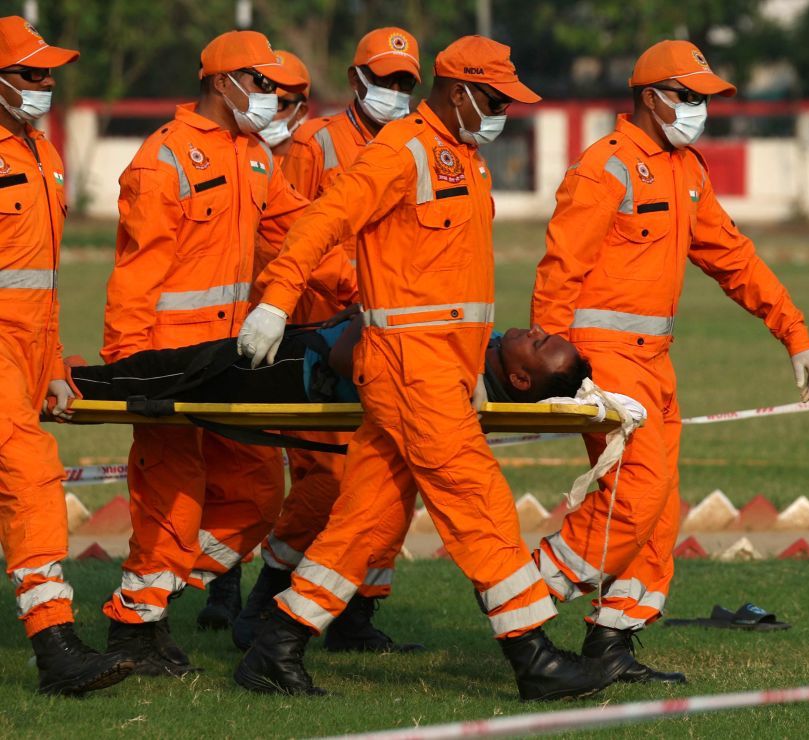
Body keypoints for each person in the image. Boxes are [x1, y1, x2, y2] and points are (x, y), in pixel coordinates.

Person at [234, 36, 614, 701]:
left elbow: (454, 287)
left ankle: (278, 642)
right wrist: (277, 296)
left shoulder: (466, 160)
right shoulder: (400, 150)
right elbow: (327, 216)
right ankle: (534, 658)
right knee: (480, 503)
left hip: (439, 370)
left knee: (368, 518)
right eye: (494, 100)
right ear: (459, 90)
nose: (502, 113)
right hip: (408, 369)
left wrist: (470, 366)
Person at [530, 40, 809, 684]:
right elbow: (561, 268)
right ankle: (523, 599)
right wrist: (550, 361)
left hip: (654, 363)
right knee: (633, 497)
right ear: (649, 96)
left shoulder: (685, 169)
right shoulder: (604, 167)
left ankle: (611, 642)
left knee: (660, 508)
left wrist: (792, 331)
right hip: (601, 360)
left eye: (705, 99)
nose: (699, 110)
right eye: (688, 97)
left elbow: (733, 258)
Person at [99, 29, 309, 676]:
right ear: (224, 83)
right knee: (176, 496)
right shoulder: (164, 159)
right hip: (165, 362)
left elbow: (296, 229)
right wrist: (128, 367)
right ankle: (136, 626)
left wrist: (360, 266)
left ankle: (148, 602)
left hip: (226, 361)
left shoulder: (253, 157)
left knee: (257, 494)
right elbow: (136, 275)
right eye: (263, 83)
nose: (273, 97)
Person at [233, 27, 425, 654]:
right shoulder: (314, 145)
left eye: (405, 82)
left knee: (389, 477)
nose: (395, 91)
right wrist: (343, 288)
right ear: (355, 79)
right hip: (318, 333)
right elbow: (283, 234)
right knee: (326, 481)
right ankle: (267, 597)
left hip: (388, 335)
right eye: (386, 78)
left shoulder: (416, 148)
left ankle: (358, 610)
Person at [0, 15, 135, 696]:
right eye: (30, 73)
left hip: (26, 350)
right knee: (30, 477)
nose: (45, 84)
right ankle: (56, 649)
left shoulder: (44, 155)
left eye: (49, 72)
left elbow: (41, 282)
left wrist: (52, 367)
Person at [198, 46, 315, 635]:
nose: (277, 107)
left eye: (289, 100)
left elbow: (312, 236)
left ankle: (235, 590)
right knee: (234, 474)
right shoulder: (225, 155)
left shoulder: (288, 157)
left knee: (274, 480)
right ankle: (218, 589)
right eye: (269, 91)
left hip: (292, 334)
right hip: (226, 336)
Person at [69, 320, 588, 407]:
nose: (535, 330)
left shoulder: (461, 377)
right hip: (310, 344)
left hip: (299, 368)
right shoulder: (490, 347)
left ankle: (74, 386)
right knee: (177, 369)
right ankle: (77, 379)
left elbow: (349, 359)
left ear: (519, 378)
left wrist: (373, 310)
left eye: (541, 345)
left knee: (176, 374)